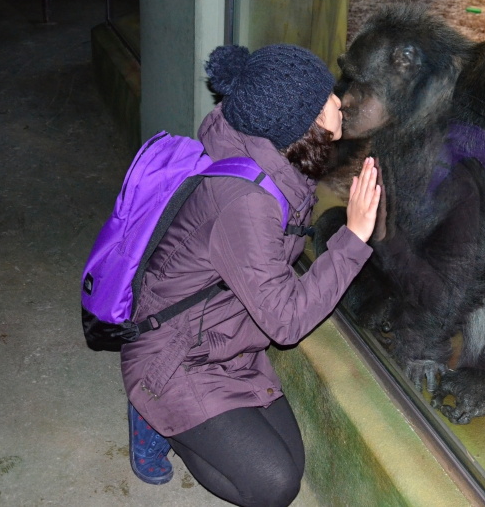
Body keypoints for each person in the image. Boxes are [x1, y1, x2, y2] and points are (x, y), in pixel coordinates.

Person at [120, 43, 381, 507]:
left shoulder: (271, 153)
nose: (338, 102)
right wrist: (353, 238)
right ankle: (154, 414)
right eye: (324, 98)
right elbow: (286, 322)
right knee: (273, 486)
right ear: (299, 123)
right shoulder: (246, 201)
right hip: (173, 355)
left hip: (225, 340)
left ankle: (183, 417)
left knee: (292, 463)